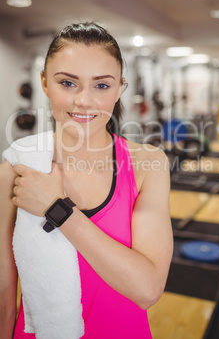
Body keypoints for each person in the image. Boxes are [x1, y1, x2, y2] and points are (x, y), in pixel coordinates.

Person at [0, 22, 173, 339]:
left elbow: (148, 289)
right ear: (44, 83)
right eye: (68, 83)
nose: (84, 101)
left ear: (120, 88)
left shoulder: (148, 164)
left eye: (102, 86)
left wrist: (58, 209)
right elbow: (3, 301)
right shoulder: (17, 169)